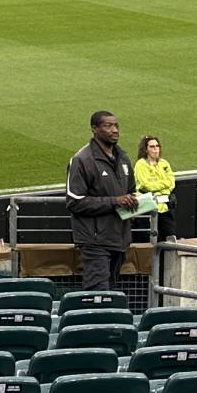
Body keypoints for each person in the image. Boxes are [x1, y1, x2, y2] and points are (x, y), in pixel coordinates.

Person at [66, 110, 136, 290]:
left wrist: (134, 200)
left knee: (111, 291)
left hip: (119, 238)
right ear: (94, 129)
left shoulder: (123, 158)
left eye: (116, 126)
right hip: (95, 240)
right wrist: (116, 201)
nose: (115, 130)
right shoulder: (82, 160)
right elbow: (75, 202)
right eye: (108, 126)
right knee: (98, 294)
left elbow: (130, 191)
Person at [132, 134, 175, 237]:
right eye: (152, 146)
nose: (156, 149)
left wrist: (160, 186)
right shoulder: (140, 164)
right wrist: (164, 185)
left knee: (170, 237)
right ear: (146, 149)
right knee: (150, 241)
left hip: (164, 208)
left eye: (157, 146)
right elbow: (146, 185)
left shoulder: (164, 163)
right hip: (148, 209)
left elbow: (171, 182)